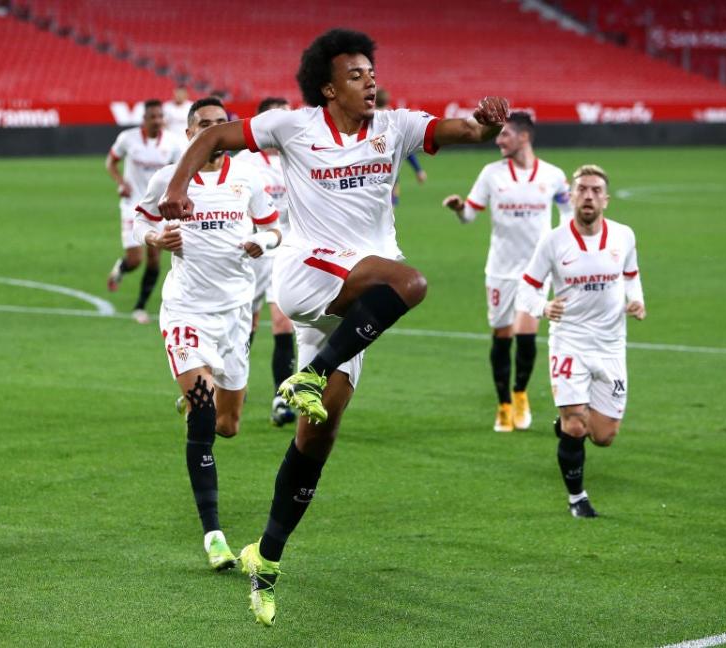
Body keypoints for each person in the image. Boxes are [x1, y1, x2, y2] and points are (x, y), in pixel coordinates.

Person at [157, 28, 509, 626]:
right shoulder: (293, 127)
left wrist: (488, 124)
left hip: (353, 303)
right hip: (309, 272)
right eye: (355, 74)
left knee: (317, 438)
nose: (370, 81)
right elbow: (217, 134)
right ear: (327, 87)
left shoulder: (395, 127)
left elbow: (464, 131)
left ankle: (265, 559)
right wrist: (175, 189)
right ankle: (310, 375)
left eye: (371, 72)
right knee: (412, 283)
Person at [133, 97, 281, 570]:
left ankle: (196, 396)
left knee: (228, 425)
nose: (214, 133)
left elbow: (277, 229)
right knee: (203, 419)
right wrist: (156, 238)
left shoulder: (249, 177)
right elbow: (142, 219)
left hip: (236, 313)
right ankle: (214, 536)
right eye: (205, 126)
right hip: (186, 312)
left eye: (222, 125)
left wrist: (264, 241)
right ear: (190, 133)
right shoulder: (169, 178)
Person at [517, 164, 645, 518]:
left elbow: (632, 275)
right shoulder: (553, 240)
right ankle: (577, 499)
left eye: (595, 190)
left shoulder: (624, 236)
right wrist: (543, 307)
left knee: (603, 435)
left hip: (610, 345)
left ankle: (566, 422)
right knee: (577, 424)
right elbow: (525, 287)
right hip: (569, 342)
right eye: (582, 190)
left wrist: (638, 301)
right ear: (571, 196)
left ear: (606, 198)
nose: (588, 196)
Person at [442, 112, 572, 432]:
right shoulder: (491, 174)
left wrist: (564, 250)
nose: (498, 140)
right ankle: (503, 406)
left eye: (504, 135)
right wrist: (459, 208)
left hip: (536, 272)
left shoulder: (554, 176)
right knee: (502, 336)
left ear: (524, 137)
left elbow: (568, 214)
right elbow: (470, 216)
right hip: (500, 270)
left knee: (526, 335)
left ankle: (520, 395)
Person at [233, 96, 298, 427]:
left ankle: (281, 399)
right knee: (247, 324)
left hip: (286, 251)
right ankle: (234, 383)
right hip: (252, 251)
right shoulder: (243, 163)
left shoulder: (300, 156)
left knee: (283, 323)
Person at [105, 99, 184, 323]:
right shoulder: (127, 139)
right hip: (131, 205)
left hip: (158, 207)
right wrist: (121, 182)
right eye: (153, 117)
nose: (158, 120)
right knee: (135, 259)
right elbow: (110, 162)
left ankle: (139, 306)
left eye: (160, 116)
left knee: (154, 259)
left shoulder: (173, 142)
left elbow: (179, 173)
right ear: (144, 119)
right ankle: (122, 267)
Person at [374, 87, 427, 205]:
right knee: (388, 212)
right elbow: (403, 146)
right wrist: (418, 170)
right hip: (390, 175)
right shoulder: (394, 121)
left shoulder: (366, 120)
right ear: (387, 100)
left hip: (367, 174)